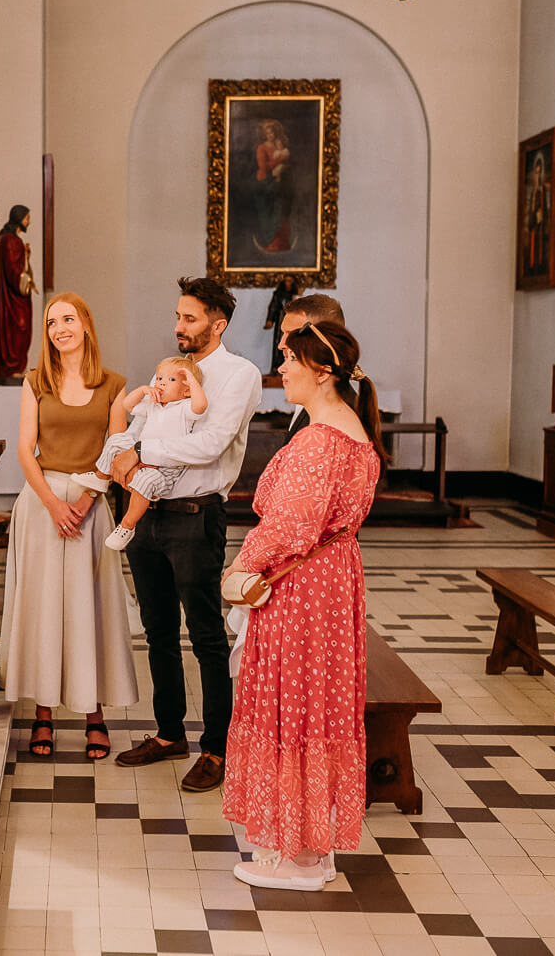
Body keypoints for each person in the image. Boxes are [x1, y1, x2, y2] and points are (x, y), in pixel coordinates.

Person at [222, 320, 388, 891]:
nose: (282, 369)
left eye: (290, 359)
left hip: (302, 589)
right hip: (332, 580)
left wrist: (241, 565)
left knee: (293, 703)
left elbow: (290, 524)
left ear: (322, 371)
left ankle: (294, 858)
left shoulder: (319, 439)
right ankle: (314, 846)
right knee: (321, 704)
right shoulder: (356, 431)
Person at [108, 277, 261, 792]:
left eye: (189, 318)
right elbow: (143, 419)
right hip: (147, 511)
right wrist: (124, 448)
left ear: (218, 324)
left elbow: (212, 445)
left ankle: (217, 748)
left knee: (206, 636)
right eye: (177, 316)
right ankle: (170, 733)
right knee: (156, 631)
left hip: (196, 516)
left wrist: (145, 454)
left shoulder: (239, 375)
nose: (178, 326)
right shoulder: (170, 372)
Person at [0, 292, 137, 761]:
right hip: (42, 506)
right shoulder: (35, 381)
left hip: (91, 506)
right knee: (44, 608)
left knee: (89, 608)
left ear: (86, 324)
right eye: (52, 321)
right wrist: (54, 505)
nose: (60, 328)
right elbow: (24, 449)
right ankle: (43, 712)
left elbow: (116, 450)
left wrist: (88, 499)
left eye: (68, 319)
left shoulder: (114, 384)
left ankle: (94, 713)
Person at [71, 355, 208, 551]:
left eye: (170, 380)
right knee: (117, 440)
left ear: (186, 390)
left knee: (145, 482)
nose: (161, 383)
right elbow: (128, 405)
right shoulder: (153, 403)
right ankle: (101, 477)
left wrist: (192, 380)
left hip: (164, 469)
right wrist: (143, 390)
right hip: (141, 456)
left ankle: (127, 526)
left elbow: (201, 406)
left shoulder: (184, 408)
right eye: (159, 378)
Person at [277, 293, 345, 442]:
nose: (281, 344)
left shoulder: (334, 417)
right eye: (283, 333)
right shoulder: (312, 394)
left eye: (291, 334)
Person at [0, 205, 34, 378]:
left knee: (20, 331)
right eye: (27, 218)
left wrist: (26, 256)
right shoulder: (11, 240)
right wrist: (25, 281)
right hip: (15, 297)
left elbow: (19, 265)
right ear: (19, 218)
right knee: (18, 330)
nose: (28, 222)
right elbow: (13, 271)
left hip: (17, 295)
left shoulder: (12, 239)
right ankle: (12, 367)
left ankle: (16, 367)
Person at [252, 120, 293, 254]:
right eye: (268, 133)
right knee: (272, 213)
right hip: (266, 184)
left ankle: (282, 245)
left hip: (279, 185)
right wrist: (280, 161)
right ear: (264, 135)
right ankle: (271, 245)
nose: (271, 135)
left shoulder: (279, 145)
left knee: (281, 212)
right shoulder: (262, 148)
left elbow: (286, 164)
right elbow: (264, 168)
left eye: (273, 132)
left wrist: (283, 166)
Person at [263, 276, 302, 373]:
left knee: (290, 344)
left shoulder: (294, 295)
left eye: (290, 281)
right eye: (286, 281)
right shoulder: (278, 294)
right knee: (278, 343)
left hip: (292, 323)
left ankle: (289, 367)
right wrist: (270, 320)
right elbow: (273, 307)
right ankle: (276, 367)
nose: (288, 283)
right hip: (280, 321)